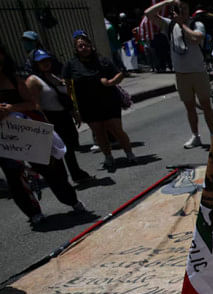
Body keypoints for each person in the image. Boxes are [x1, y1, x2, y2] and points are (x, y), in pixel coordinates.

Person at [1, 43, 87, 226]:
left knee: (51, 168)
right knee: (14, 175)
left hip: (26, 131)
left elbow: (32, 104)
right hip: (5, 140)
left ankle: (71, 200)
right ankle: (33, 212)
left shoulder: (15, 79)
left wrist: (12, 108)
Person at [145, 0, 213, 150]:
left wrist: (182, 24)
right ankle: (195, 136)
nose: (182, 11)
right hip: (181, 74)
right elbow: (148, 14)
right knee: (189, 107)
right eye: (179, 8)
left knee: (206, 106)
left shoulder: (196, 24)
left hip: (198, 72)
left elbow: (196, 38)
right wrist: (167, 2)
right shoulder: (169, 25)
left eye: (184, 8)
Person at [63, 31, 136, 170]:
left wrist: (110, 82)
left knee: (116, 130)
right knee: (99, 133)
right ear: (76, 49)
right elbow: (68, 86)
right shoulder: (70, 65)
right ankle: (108, 157)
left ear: (91, 46)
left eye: (85, 45)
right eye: (80, 46)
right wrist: (73, 108)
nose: (84, 48)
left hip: (109, 102)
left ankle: (129, 154)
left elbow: (120, 75)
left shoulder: (103, 61)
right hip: (88, 106)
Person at [26, 49, 92, 183]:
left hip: (64, 116)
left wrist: (74, 113)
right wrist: (44, 123)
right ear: (35, 64)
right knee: (57, 151)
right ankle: (62, 179)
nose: (45, 63)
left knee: (69, 147)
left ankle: (76, 174)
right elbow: (36, 105)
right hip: (50, 118)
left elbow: (66, 96)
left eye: (47, 60)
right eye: (41, 61)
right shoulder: (33, 80)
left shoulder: (54, 76)